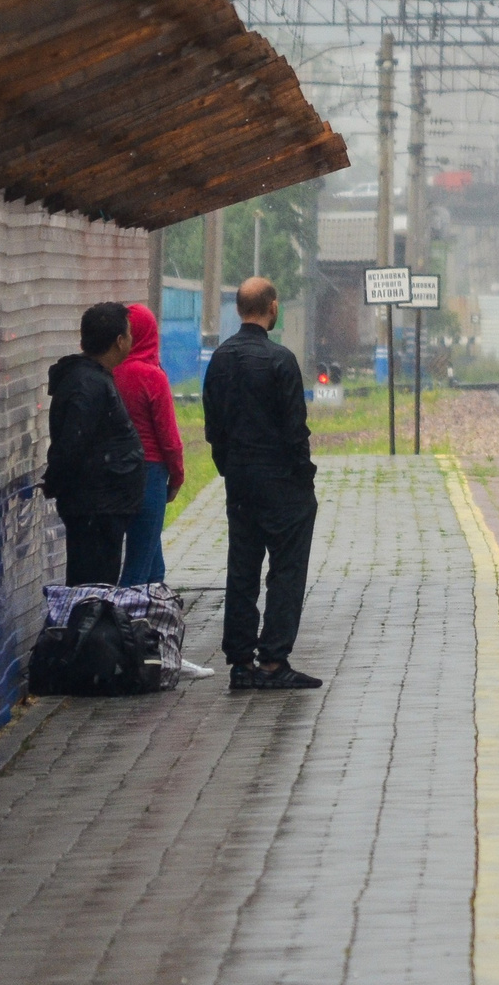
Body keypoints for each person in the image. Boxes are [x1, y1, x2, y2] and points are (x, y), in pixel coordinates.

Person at [202, 276, 323, 691]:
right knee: (286, 571)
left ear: (239, 309)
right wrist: (304, 477)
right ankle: (273, 661)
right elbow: (295, 431)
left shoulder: (220, 359)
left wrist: (229, 468)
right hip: (283, 485)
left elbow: (213, 426)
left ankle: (240, 663)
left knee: (242, 568)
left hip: (241, 482)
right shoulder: (280, 360)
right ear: (272, 307)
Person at [44, 303, 146, 585]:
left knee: (97, 586)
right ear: (119, 341)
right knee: (92, 588)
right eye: (129, 333)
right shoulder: (87, 384)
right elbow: (72, 444)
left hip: (101, 507)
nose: (132, 340)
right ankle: (86, 628)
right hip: (95, 509)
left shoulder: (92, 379)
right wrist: (55, 482)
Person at [113, 302, 186, 585]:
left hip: (118, 471)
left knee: (154, 566)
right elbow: (169, 438)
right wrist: (177, 476)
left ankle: (151, 619)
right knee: (139, 566)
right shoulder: (152, 376)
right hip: (151, 472)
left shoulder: (111, 372)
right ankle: (122, 622)